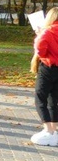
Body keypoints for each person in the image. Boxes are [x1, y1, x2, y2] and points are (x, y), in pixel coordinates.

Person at [29, 7, 58, 146]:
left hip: (48, 67)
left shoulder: (47, 31)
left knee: (40, 98)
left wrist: (39, 35)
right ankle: (54, 130)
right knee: (54, 100)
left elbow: (40, 48)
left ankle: (48, 129)